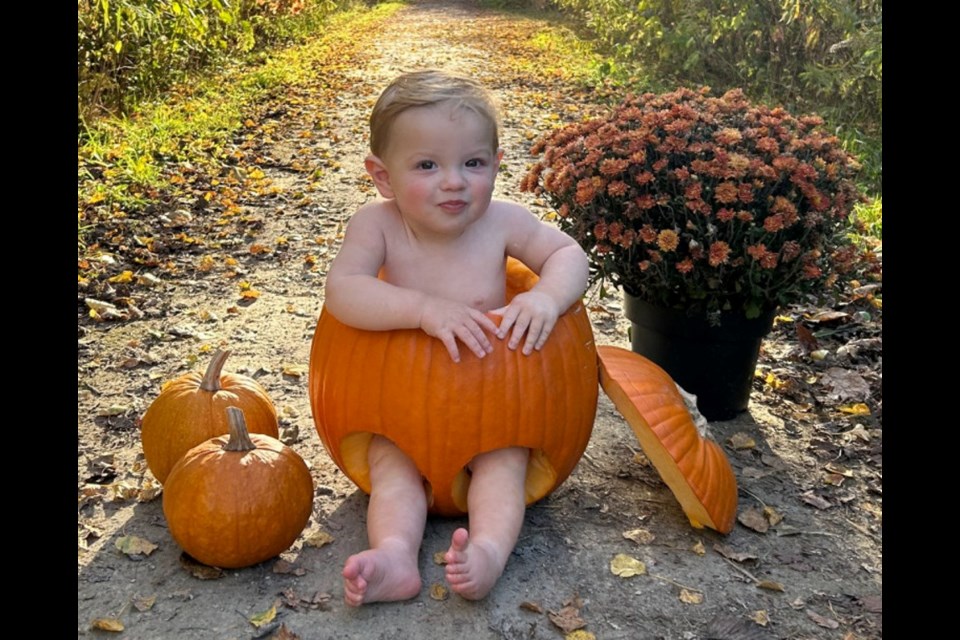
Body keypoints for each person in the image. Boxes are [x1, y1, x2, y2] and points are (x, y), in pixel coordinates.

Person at [324, 69, 589, 606]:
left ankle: (488, 550)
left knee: (505, 463)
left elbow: (567, 255)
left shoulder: (503, 223)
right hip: (399, 405)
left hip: (498, 402)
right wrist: (421, 308)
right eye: (427, 165)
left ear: (494, 165)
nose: (454, 181)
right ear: (383, 175)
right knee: (390, 464)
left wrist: (543, 298)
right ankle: (396, 555)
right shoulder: (376, 227)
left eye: (473, 163)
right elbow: (343, 292)